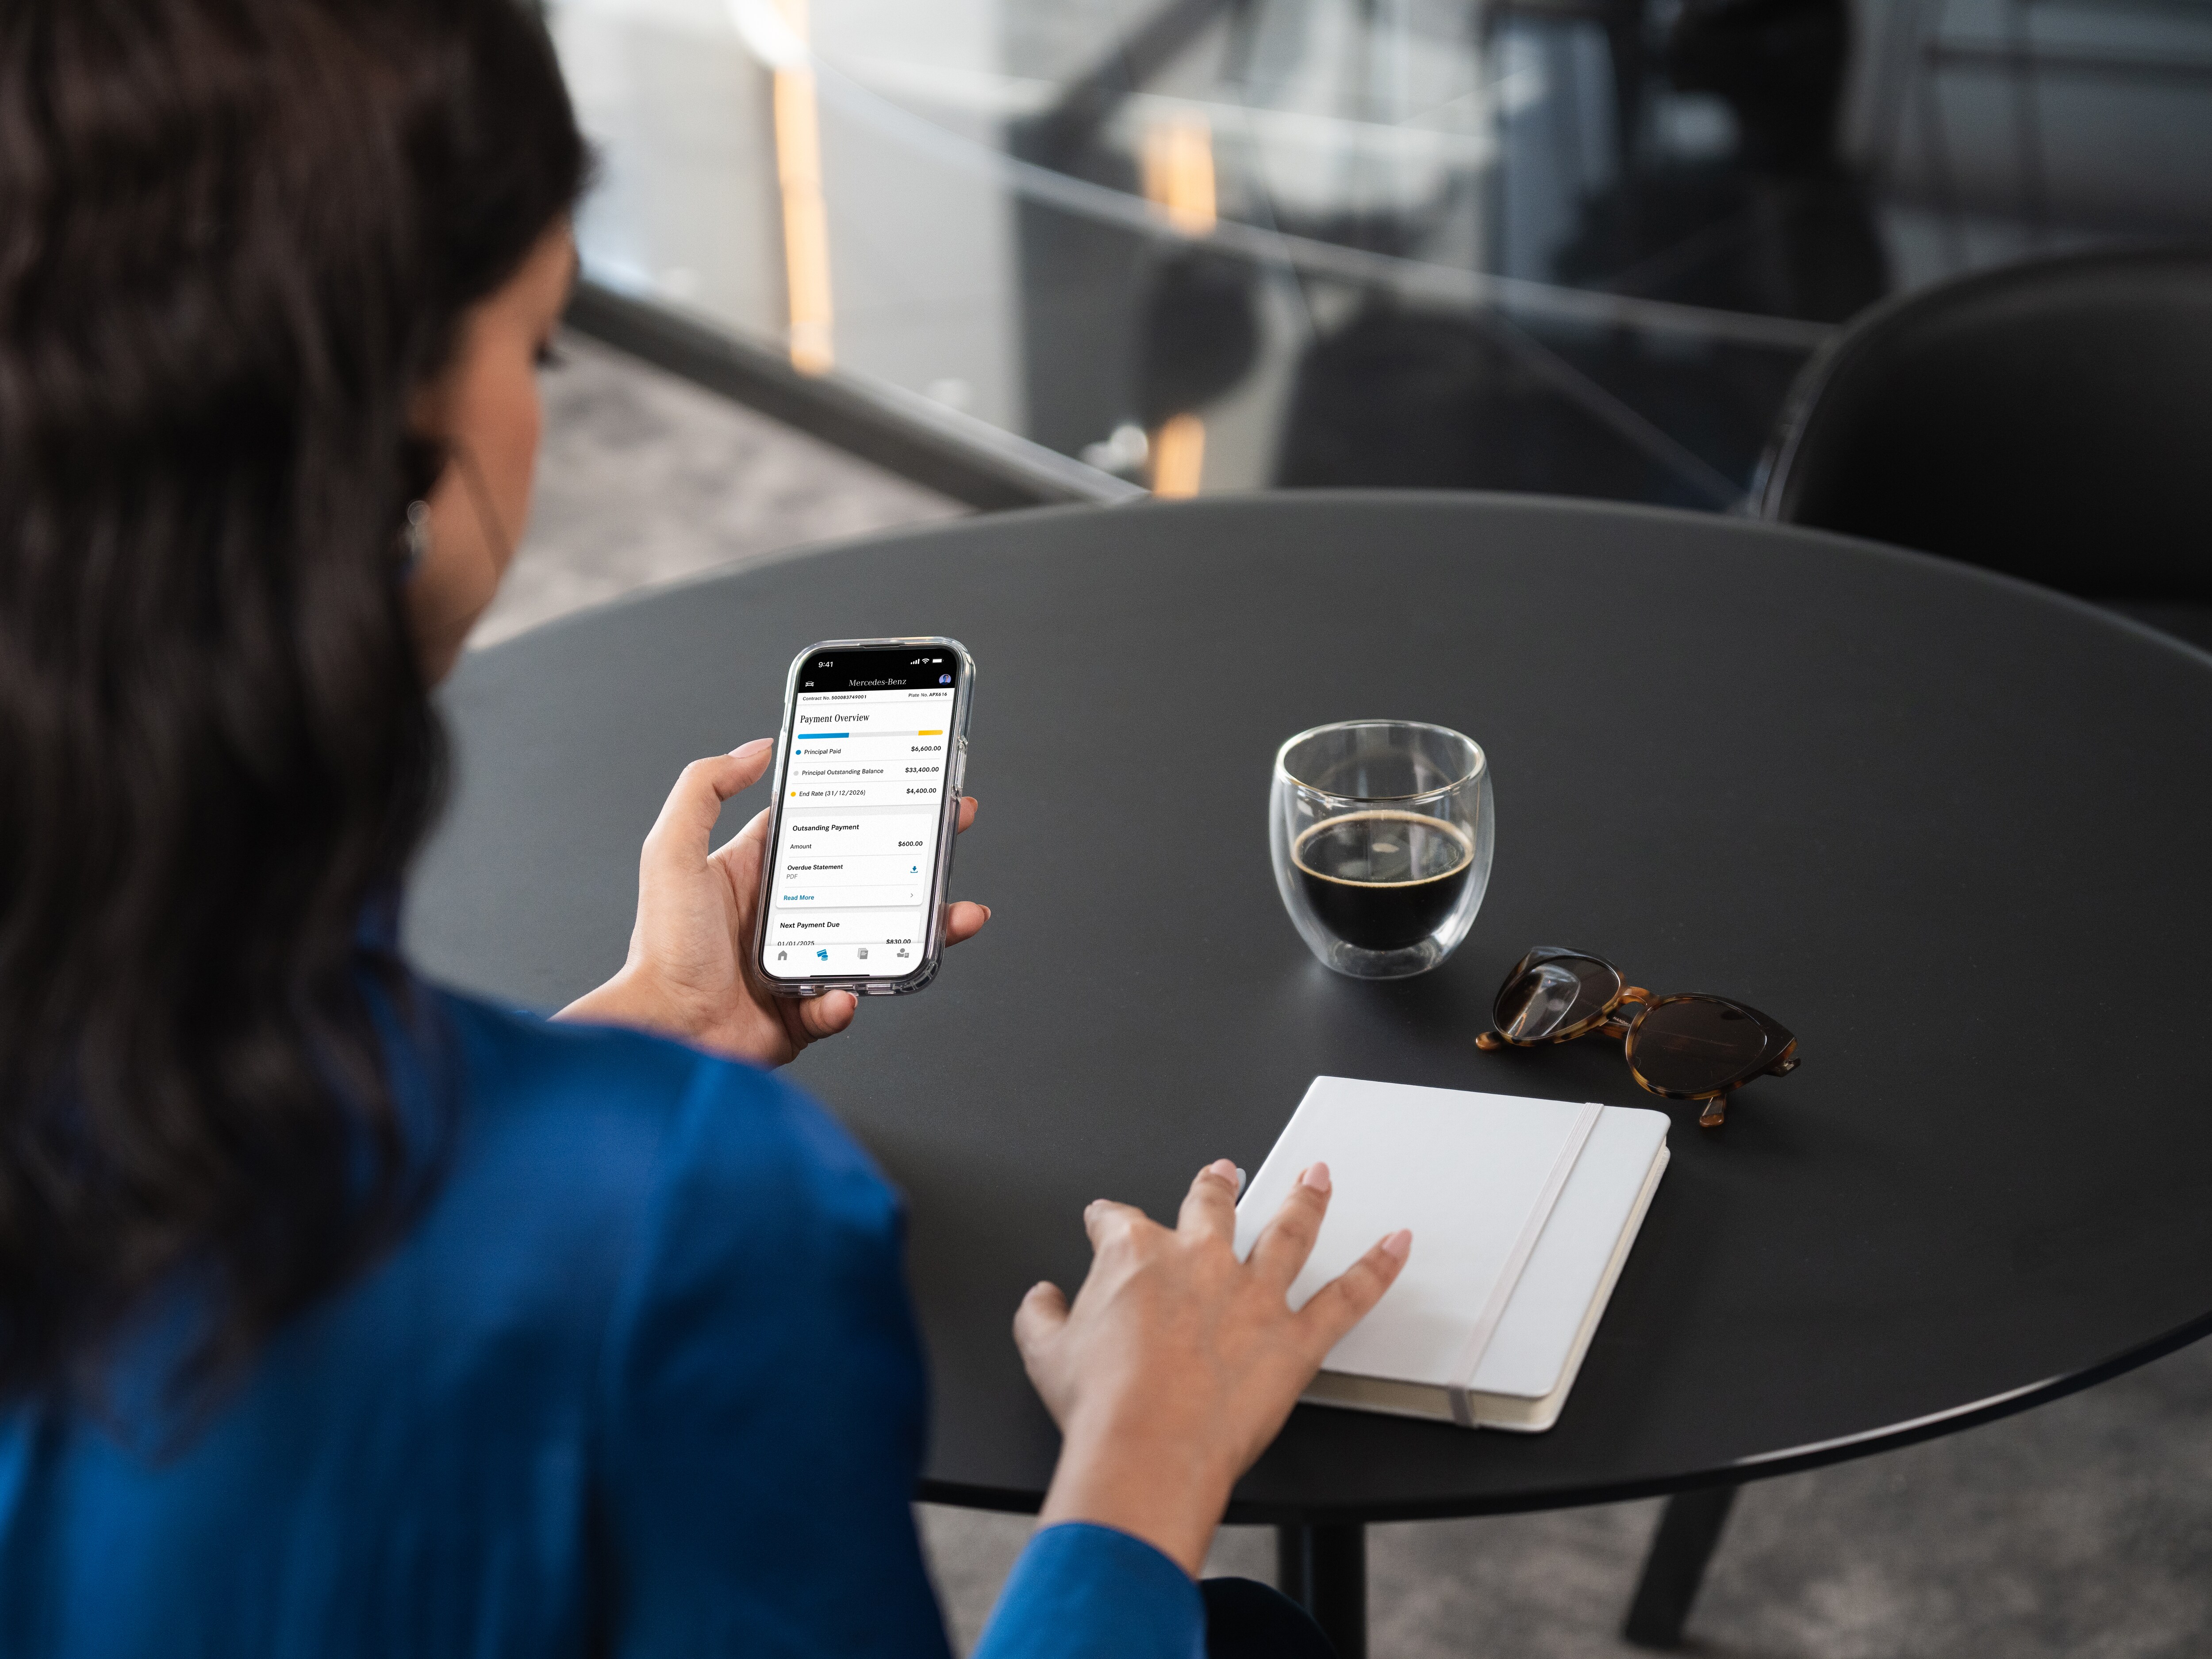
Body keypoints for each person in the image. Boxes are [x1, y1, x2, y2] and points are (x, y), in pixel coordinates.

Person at [0, 3, 1412, 1656]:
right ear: (390, 470)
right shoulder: (685, 1224)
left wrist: (634, 1034)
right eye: (533, 346)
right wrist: (1141, 1463)